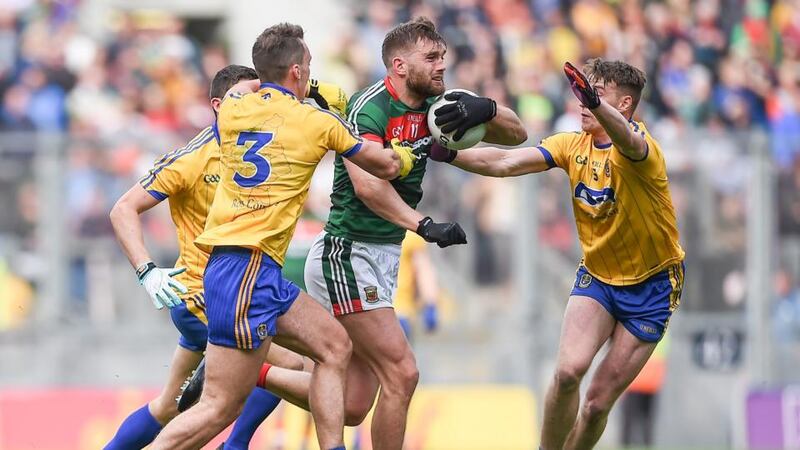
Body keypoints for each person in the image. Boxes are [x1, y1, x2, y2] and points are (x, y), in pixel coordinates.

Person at [149, 23, 416, 450]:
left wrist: (277, 78)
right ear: (297, 71)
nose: (310, 74)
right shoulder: (317, 122)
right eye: (307, 68)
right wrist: (406, 154)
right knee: (218, 407)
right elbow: (381, 166)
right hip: (247, 270)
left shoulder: (235, 109)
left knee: (333, 346)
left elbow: (246, 87)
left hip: (242, 268)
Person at [429, 58, 685, 450]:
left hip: (652, 288)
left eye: (596, 95)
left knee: (597, 403)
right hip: (599, 276)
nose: (584, 103)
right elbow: (504, 162)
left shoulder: (642, 151)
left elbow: (630, 143)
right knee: (567, 373)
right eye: (584, 94)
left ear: (626, 105)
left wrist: (600, 108)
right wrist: (448, 154)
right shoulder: (571, 145)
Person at [106, 65, 305, 450]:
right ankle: (237, 444)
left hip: (241, 293)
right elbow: (123, 209)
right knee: (289, 367)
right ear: (218, 105)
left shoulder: (262, 150)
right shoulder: (193, 158)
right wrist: (147, 271)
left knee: (169, 408)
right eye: (244, 98)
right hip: (202, 297)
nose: (256, 106)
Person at [394, 230, 441, 340]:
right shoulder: (406, 233)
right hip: (400, 312)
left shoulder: (360, 228)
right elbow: (424, 271)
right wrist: (431, 304)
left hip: (367, 312)